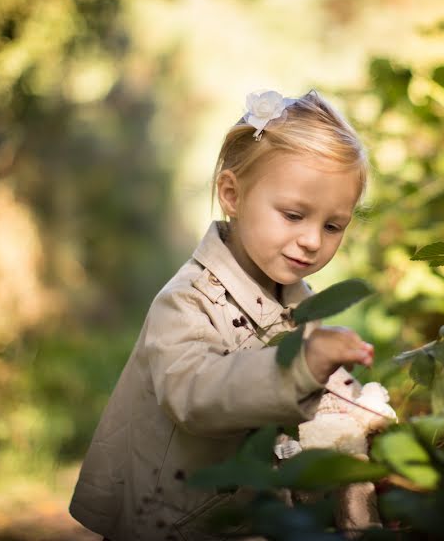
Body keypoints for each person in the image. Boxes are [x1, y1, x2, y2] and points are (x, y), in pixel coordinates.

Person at [69, 89, 375, 541]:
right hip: (173, 520)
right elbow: (196, 393)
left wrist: (358, 408)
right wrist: (302, 367)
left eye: (333, 226)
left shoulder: (303, 306)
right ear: (232, 195)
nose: (313, 240)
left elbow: (319, 410)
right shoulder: (186, 302)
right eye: (294, 215)